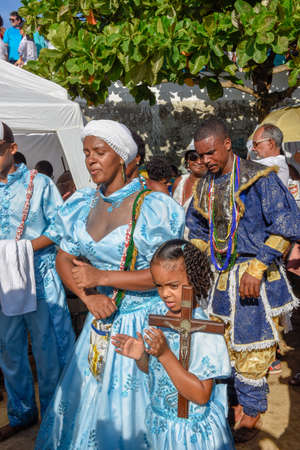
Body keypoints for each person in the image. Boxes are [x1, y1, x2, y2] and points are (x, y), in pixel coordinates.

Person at [35, 120, 185, 449]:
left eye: (100, 152)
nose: (90, 160)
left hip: (143, 323)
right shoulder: (81, 204)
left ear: (123, 158)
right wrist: (87, 297)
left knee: (136, 413)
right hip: (99, 322)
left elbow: (168, 276)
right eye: (87, 152)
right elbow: (63, 256)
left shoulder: (153, 206)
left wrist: (101, 278)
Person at [186, 117, 300, 443]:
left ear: (226, 144)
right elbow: (197, 231)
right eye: (200, 155)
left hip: (255, 278)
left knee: (252, 348)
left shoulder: (259, 178)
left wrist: (259, 266)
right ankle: (234, 404)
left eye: (210, 153)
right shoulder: (205, 186)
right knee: (223, 346)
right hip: (219, 278)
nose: (205, 160)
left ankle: (251, 411)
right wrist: (194, 269)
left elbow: (287, 223)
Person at [112, 239, 234, 450]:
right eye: (159, 285)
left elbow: (201, 395)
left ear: (194, 280)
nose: (165, 293)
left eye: (173, 286)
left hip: (188, 433)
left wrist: (165, 354)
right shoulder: (159, 317)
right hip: (161, 423)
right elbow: (154, 371)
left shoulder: (204, 330)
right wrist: (141, 356)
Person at [0, 122, 75, 441]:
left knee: (48, 349)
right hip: (4, 282)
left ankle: (54, 416)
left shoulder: (40, 183)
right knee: (9, 349)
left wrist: (21, 249)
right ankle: (21, 413)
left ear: (11, 149)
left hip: (40, 276)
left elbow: (60, 229)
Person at [173, 149, 207, 238]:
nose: (199, 161)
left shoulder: (210, 186)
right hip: (175, 241)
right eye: (194, 157)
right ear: (188, 160)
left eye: (202, 158)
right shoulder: (179, 181)